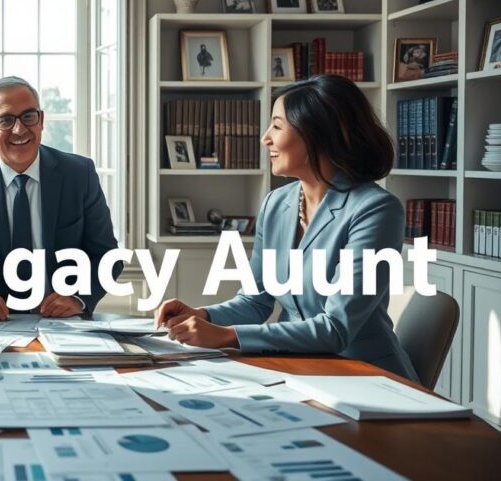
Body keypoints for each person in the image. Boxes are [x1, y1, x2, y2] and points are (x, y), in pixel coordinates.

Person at [153, 74, 419, 382]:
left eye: (277, 126)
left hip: (366, 377)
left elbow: (336, 328)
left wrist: (226, 335)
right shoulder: (276, 203)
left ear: (318, 134)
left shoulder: (376, 209)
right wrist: (204, 315)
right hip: (297, 369)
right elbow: (255, 301)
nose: (265, 138)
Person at [0, 76, 121, 320]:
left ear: (41, 120)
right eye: (5, 120)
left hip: (63, 322)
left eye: (28, 116)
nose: (19, 129)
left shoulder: (80, 175)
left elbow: (107, 255)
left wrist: (78, 297)